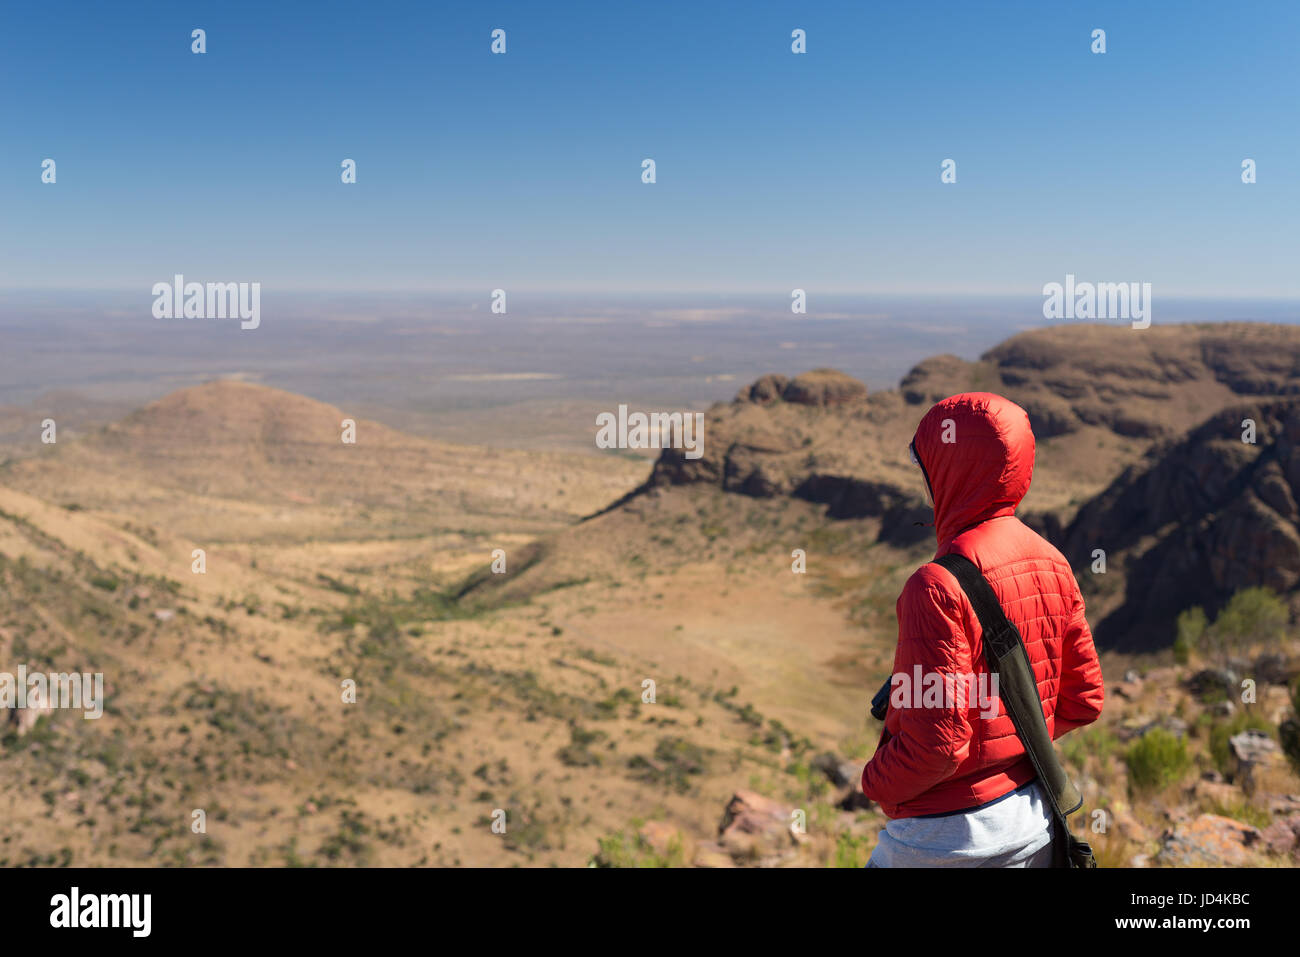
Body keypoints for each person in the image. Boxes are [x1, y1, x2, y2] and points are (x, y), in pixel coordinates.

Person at [861, 392, 1104, 867]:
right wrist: (1010, 746)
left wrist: (874, 778)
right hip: (1034, 828)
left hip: (943, 844)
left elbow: (937, 747)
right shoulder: (1053, 561)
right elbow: (1084, 699)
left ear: (946, 471)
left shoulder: (934, 586)